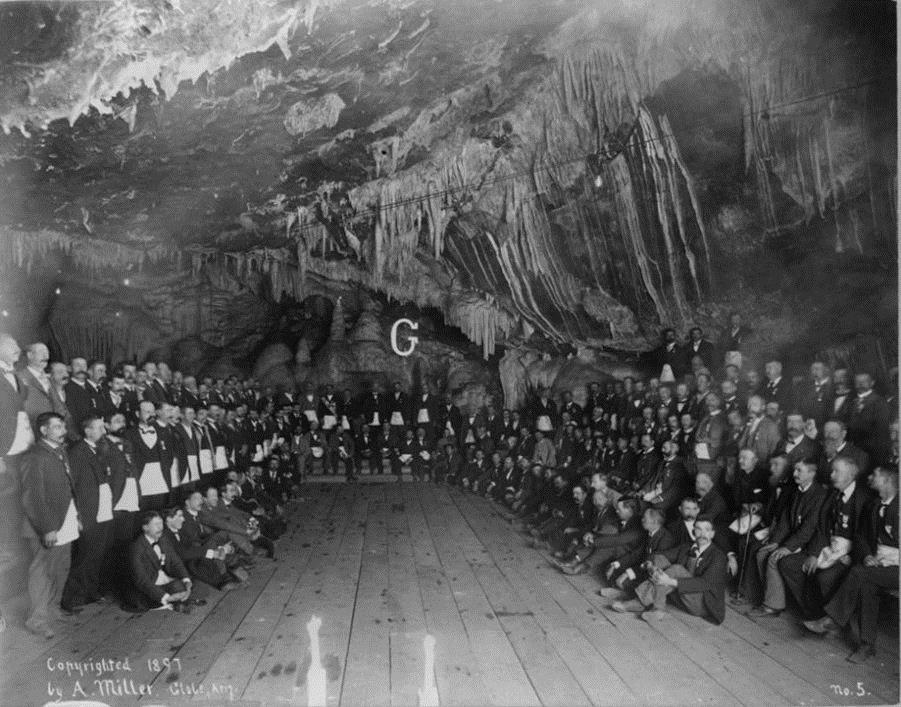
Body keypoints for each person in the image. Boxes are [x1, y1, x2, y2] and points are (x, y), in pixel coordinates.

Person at [802, 467, 898, 663]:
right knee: (867, 584)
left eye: (875, 475)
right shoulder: (873, 504)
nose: (869, 477)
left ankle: (833, 619)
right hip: (878, 564)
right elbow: (861, 537)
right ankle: (866, 646)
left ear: (888, 480)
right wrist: (867, 556)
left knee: (858, 573)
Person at [20, 412, 78, 638]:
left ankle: (53, 610)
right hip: (46, 525)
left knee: (61, 567)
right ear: (43, 430)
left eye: (63, 426)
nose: (63, 431)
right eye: (57, 427)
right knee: (42, 572)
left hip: (65, 520)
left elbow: (68, 487)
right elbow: (32, 497)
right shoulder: (34, 456)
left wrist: (76, 516)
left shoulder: (60, 451)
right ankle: (37, 620)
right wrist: (46, 528)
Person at [746, 459, 827, 617]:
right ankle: (774, 598)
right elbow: (785, 521)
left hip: (809, 543)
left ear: (811, 474)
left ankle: (772, 606)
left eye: (799, 470)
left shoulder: (819, 495)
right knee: (762, 553)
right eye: (795, 470)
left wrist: (787, 547)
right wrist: (776, 541)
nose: (794, 473)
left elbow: (809, 528)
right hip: (795, 538)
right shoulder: (797, 491)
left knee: (774, 558)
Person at [611, 516, 729, 624]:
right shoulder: (687, 547)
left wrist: (669, 581)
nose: (702, 534)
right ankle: (658, 608)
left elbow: (704, 583)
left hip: (702, 604)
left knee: (677, 569)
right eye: (698, 529)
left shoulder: (718, 556)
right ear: (693, 532)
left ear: (712, 534)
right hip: (682, 597)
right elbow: (659, 555)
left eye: (707, 530)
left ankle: (640, 602)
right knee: (659, 560)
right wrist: (651, 564)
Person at [61, 415, 114, 613]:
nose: (104, 431)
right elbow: (72, 485)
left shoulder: (99, 448)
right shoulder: (77, 452)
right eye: (99, 428)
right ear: (87, 431)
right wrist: (77, 514)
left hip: (103, 507)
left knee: (97, 553)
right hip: (88, 509)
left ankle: (91, 592)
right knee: (85, 554)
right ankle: (71, 598)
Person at [128, 510, 193, 612]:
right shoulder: (137, 548)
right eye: (156, 524)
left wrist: (186, 580)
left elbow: (175, 562)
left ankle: (177, 600)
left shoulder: (163, 538)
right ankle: (171, 602)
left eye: (161, 523)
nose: (160, 527)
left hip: (163, 578)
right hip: (146, 589)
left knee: (184, 584)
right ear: (145, 528)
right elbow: (142, 580)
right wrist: (166, 597)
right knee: (178, 587)